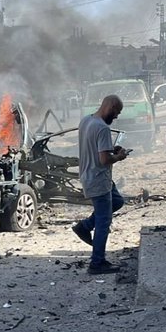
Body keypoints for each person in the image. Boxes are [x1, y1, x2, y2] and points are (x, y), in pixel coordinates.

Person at [73, 95, 129, 274]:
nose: (116, 116)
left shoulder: (86, 121)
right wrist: (119, 157)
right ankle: (97, 263)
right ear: (110, 106)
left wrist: (112, 149)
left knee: (118, 201)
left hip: (91, 176)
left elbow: (95, 147)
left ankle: (85, 226)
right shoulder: (103, 128)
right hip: (98, 179)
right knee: (104, 222)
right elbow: (104, 159)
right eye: (117, 112)